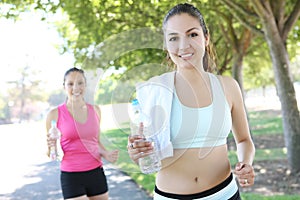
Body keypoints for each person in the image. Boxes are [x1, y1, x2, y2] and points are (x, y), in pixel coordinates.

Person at [127, 3, 255, 200]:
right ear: (166, 44)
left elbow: (244, 140)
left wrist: (246, 162)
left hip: (225, 194)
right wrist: (137, 153)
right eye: (173, 38)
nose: (183, 45)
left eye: (192, 34)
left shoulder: (228, 87)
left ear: (206, 37)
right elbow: (144, 151)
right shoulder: (153, 91)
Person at [46, 67, 119, 200]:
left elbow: (95, 142)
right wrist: (52, 147)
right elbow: (51, 152)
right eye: (70, 84)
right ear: (64, 86)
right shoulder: (54, 114)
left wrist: (106, 153)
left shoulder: (96, 110)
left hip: (96, 172)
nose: (76, 87)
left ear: (85, 85)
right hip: (71, 175)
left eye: (80, 83)